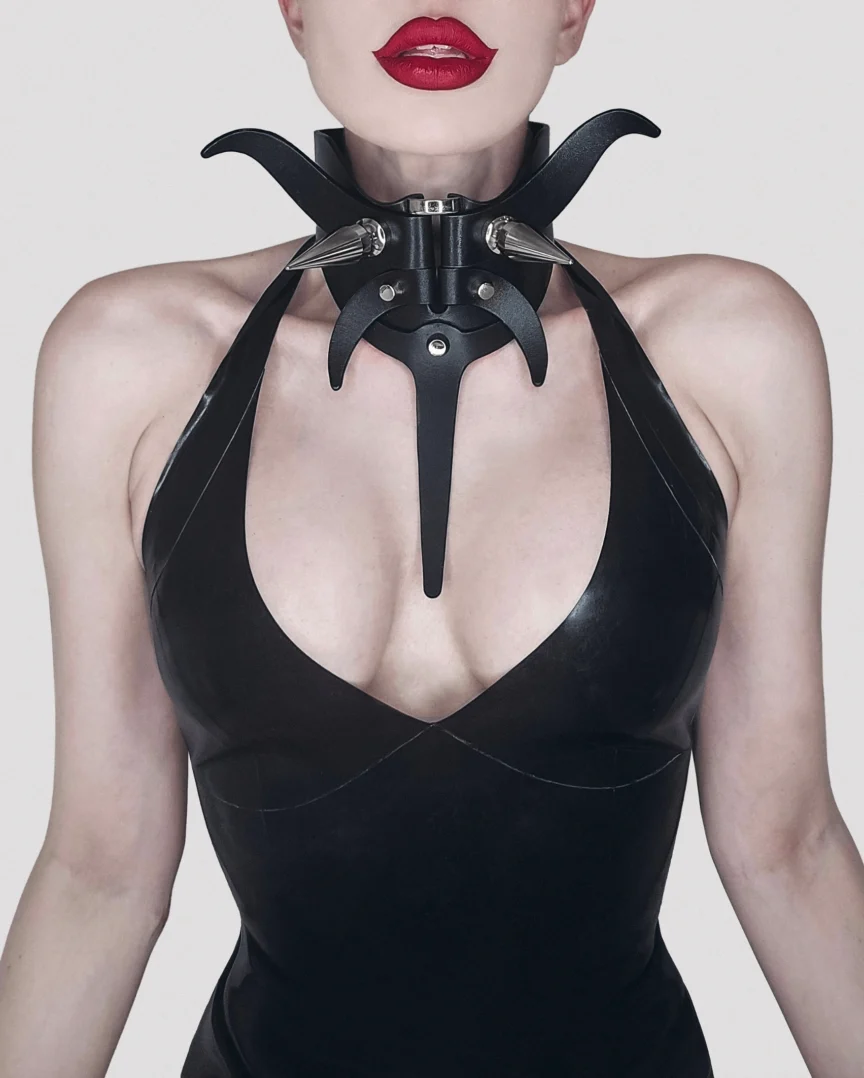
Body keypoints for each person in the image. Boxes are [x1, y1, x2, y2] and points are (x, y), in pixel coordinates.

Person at [1, 1, 863, 1075]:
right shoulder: (127, 363)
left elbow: (788, 847)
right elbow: (100, 872)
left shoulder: (730, 350)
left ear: (572, 10)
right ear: (294, 7)